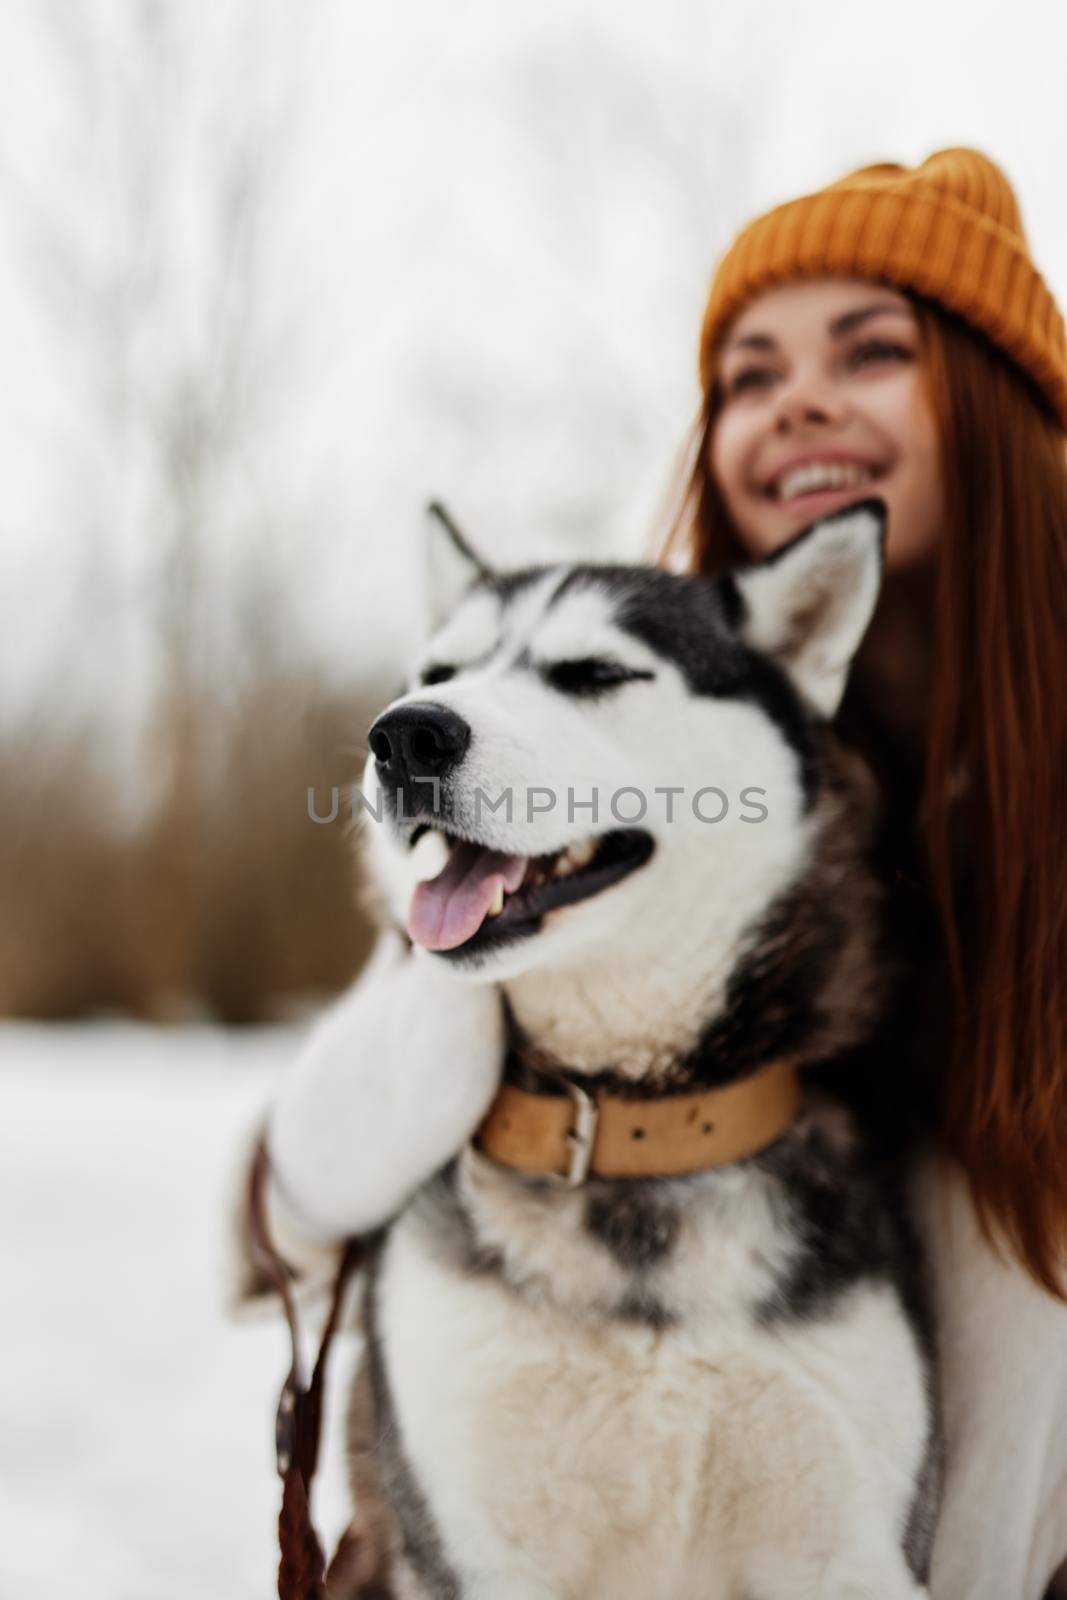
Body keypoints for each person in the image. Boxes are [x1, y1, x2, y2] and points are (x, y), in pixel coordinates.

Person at [249, 149, 1067, 1599]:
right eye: (750, 375)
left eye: (873, 351)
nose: (797, 399)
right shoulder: (683, 723)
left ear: (1002, 406)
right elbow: (304, 1187)